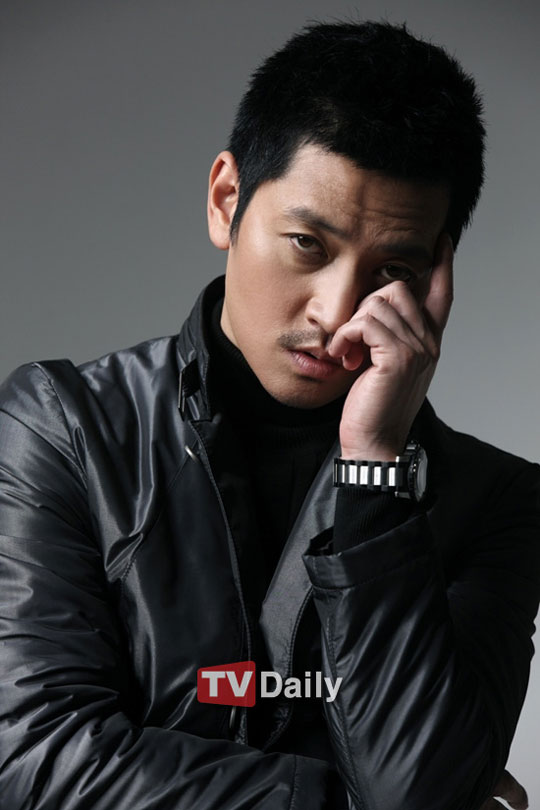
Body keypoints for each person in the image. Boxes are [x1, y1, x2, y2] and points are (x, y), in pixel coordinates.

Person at [0, 19, 538, 810]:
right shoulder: (65, 429)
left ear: (435, 279)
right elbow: (35, 755)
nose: (337, 310)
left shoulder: (496, 502)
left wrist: (374, 469)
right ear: (227, 201)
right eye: (308, 245)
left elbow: (416, 784)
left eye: (392, 269)